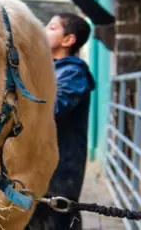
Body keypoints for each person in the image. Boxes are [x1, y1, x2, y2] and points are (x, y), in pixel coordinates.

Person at [26, 13, 96, 230]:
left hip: (60, 173)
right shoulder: (47, 69)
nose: (44, 31)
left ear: (68, 40)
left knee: (56, 221)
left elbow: (52, 108)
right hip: (37, 168)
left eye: (52, 28)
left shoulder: (73, 73)